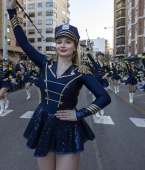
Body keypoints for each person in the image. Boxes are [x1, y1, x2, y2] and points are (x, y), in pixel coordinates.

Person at [7, 1, 111, 170]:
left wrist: (79, 114)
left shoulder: (81, 72)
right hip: (43, 122)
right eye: (59, 41)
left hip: (68, 128)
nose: (63, 45)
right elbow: (24, 43)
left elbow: (104, 97)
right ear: (55, 45)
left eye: (68, 42)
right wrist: (11, 11)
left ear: (75, 47)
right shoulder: (44, 63)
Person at [87, 51, 110, 118]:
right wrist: (88, 50)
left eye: (101, 55)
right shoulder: (95, 62)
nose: (100, 56)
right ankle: (96, 111)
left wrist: (106, 74)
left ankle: (101, 108)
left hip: (103, 81)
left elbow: (110, 71)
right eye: (99, 55)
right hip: (96, 80)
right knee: (95, 96)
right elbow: (89, 56)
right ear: (97, 57)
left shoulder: (105, 64)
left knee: (103, 95)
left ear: (103, 57)